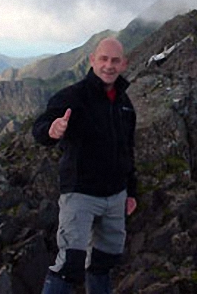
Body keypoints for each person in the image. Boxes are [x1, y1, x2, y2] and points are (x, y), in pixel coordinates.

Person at [33, 37, 138, 294]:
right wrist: (52, 130)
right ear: (92, 60)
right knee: (70, 264)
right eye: (103, 59)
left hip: (116, 196)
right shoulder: (73, 97)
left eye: (115, 60)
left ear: (123, 64)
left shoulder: (125, 105)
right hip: (80, 194)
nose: (109, 65)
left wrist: (131, 192)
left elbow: (127, 151)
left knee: (104, 261)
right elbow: (39, 128)